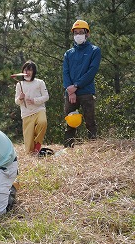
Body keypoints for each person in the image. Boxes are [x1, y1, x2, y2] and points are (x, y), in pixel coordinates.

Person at [63, 19, 101, 148]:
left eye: (81, 32)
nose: (78, 35)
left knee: (90, 122)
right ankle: (68, 148)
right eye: (75, 32)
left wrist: (76, 87)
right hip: (70, 92)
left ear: (87, 34)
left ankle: (93, 147)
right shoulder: (68, 53)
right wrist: (70, 90)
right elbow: (65, 73)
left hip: (86, 92)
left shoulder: (94, 50)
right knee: (70, 122)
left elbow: (91, 72)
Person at [14, 60, 49, 154]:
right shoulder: (19, 84)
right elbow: (16, 101)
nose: (27, 72)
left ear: (34, 71)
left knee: (43, 122)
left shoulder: (40, 82)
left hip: (39, 109)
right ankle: (33, 150)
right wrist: (20, 98)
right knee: (29, 150)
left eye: (30, 70)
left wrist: (34, 100)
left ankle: (38, 144)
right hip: (26, 113)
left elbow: (46, 96)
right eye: (25, 70)